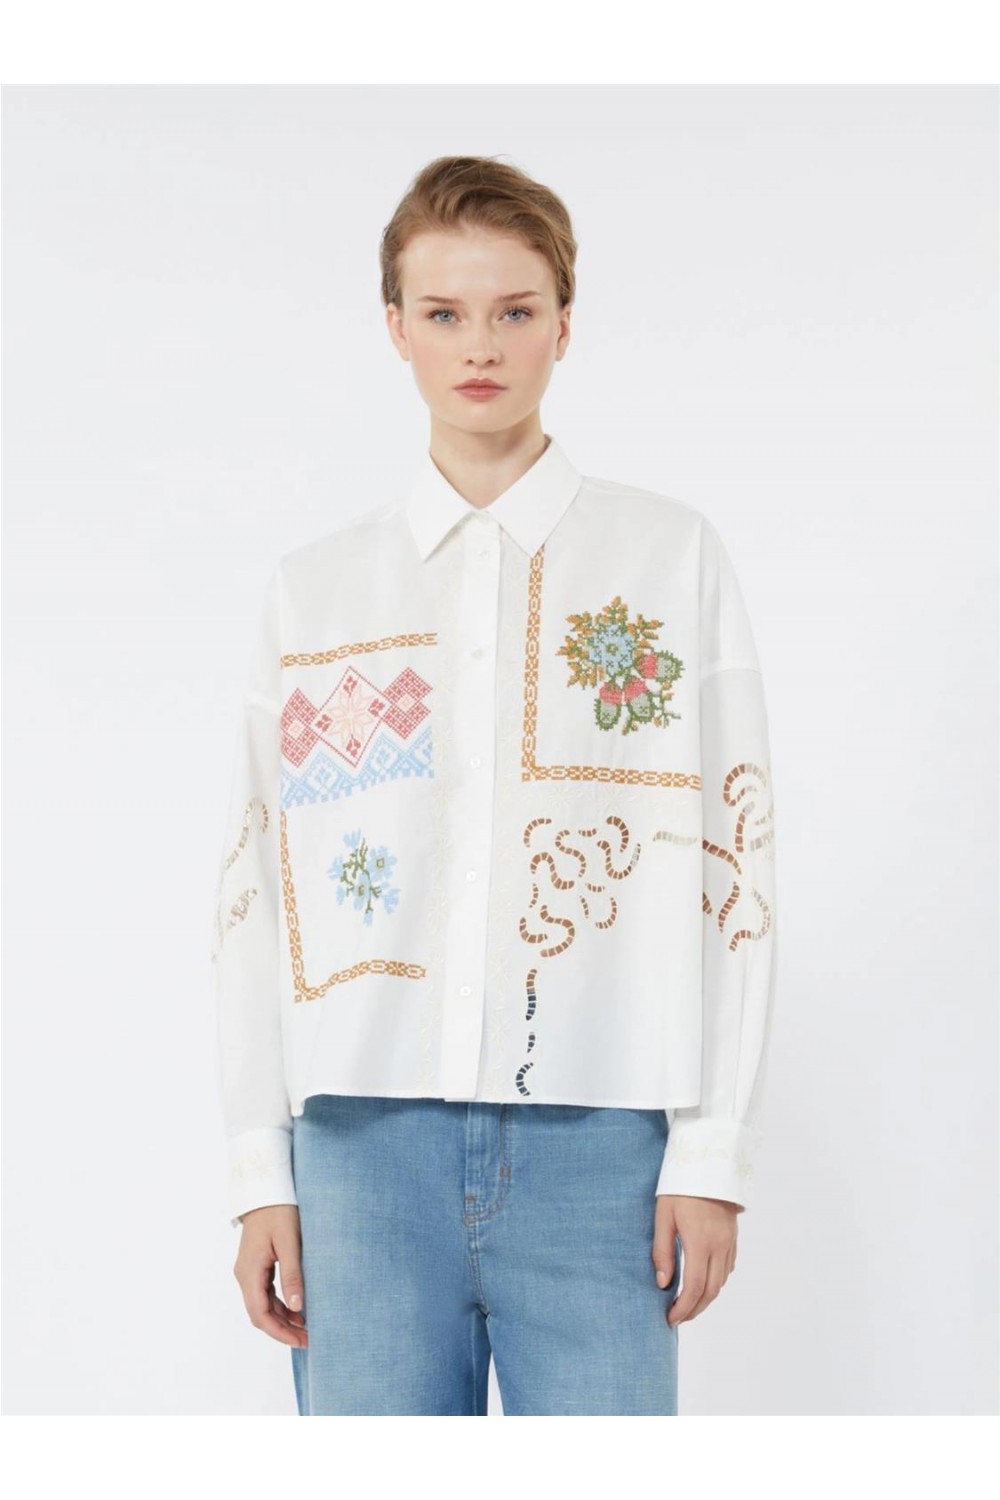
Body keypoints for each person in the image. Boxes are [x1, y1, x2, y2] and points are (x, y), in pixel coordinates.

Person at [211, 154, 779, 1416]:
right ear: (395, 327)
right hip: (360, 1155)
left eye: (515, 310)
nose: (480, 346)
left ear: (564, 324)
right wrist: (261, 1169)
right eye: (444, 312)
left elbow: (735, 861)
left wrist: (710, 1150)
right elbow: (256, 888)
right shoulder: (318, 591)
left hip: (601, 1147)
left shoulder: (668, 558)